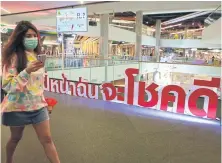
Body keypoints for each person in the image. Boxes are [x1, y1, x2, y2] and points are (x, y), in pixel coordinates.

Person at [1, 21, 60, 163]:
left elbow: (38, 84)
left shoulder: (38, 56)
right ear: (20, 37)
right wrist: (26, 71)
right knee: (15, 138)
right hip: (17, 107)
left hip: (38, 107)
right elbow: (8, 87)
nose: (33, 38)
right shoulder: (12, 58)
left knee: (47, 139)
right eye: (28, 35)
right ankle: (8, 160)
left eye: (35, 35)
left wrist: (46, 103)